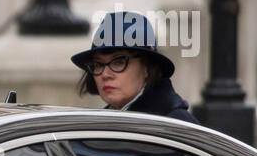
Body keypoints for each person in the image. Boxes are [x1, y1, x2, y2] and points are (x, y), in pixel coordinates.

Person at [71, 10, 200, 124]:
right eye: (98, 65)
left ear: (147, 68)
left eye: (118, 62)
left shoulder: (175, 125)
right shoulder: (98, 125)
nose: (105, 74)